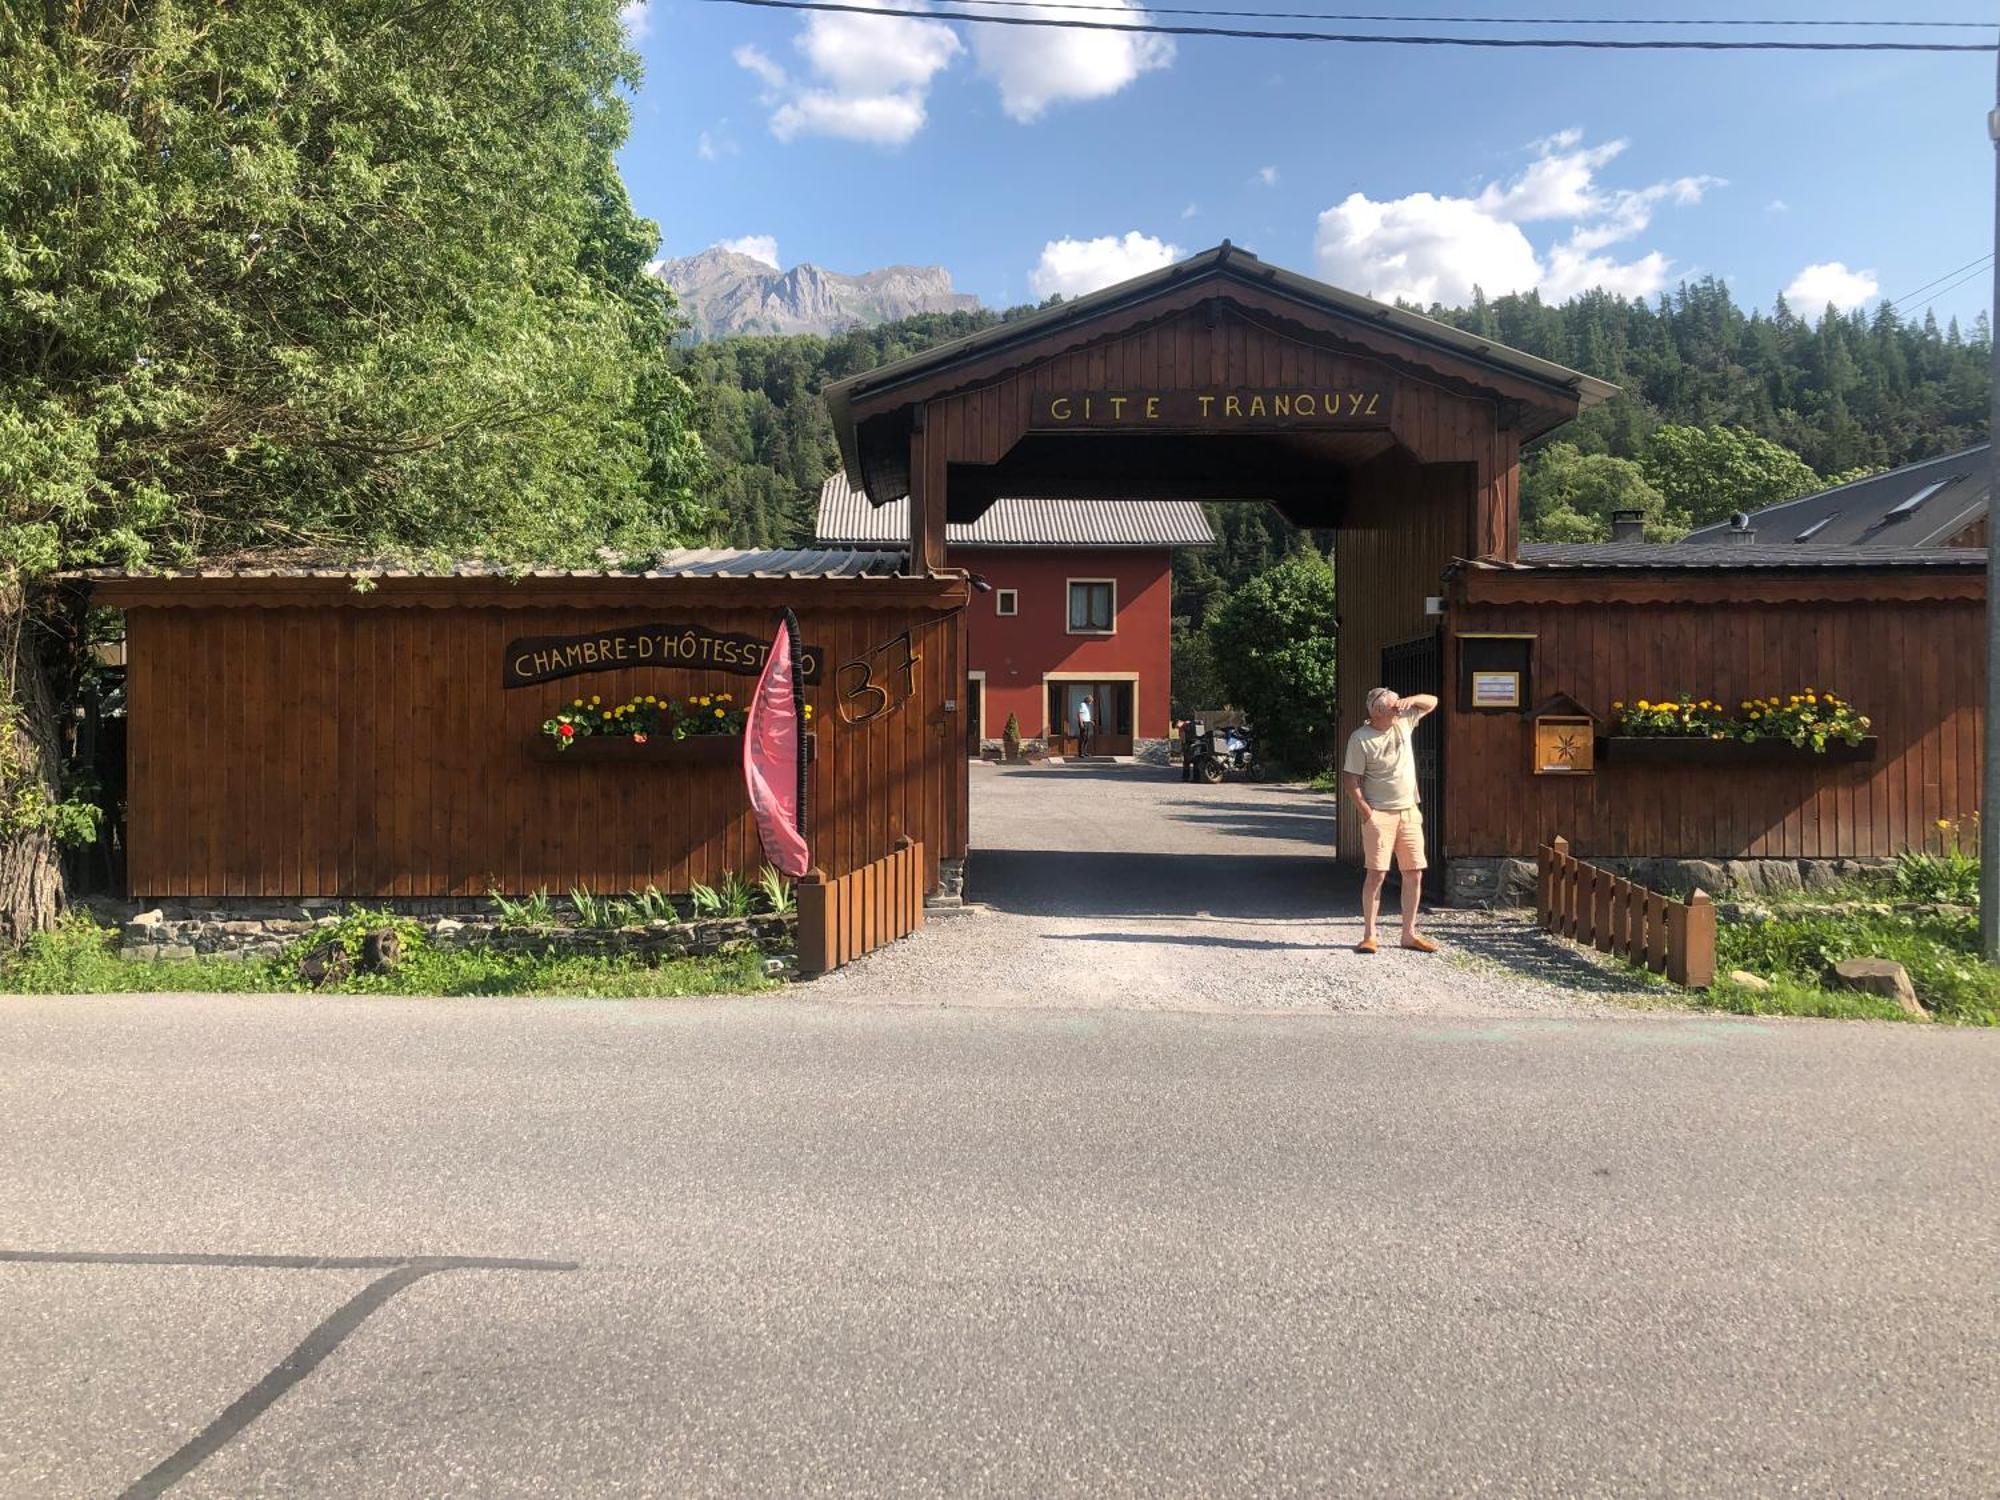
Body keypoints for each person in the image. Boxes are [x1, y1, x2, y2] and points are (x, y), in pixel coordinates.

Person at [1341, 686, 1440, 954]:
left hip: (1408, 811)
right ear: (1378, 711)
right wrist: (1368, 814)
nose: (1400, 709)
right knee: (1377, 874)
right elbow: (1351, 780)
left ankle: (1409, 934)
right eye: (1394, 706)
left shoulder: (1404, 722)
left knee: (1414, 872)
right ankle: (1369, 935)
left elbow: (1432, 701)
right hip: (1380, 815)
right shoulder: (1360, 739)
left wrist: (1410, 700)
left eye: (1400, 705)